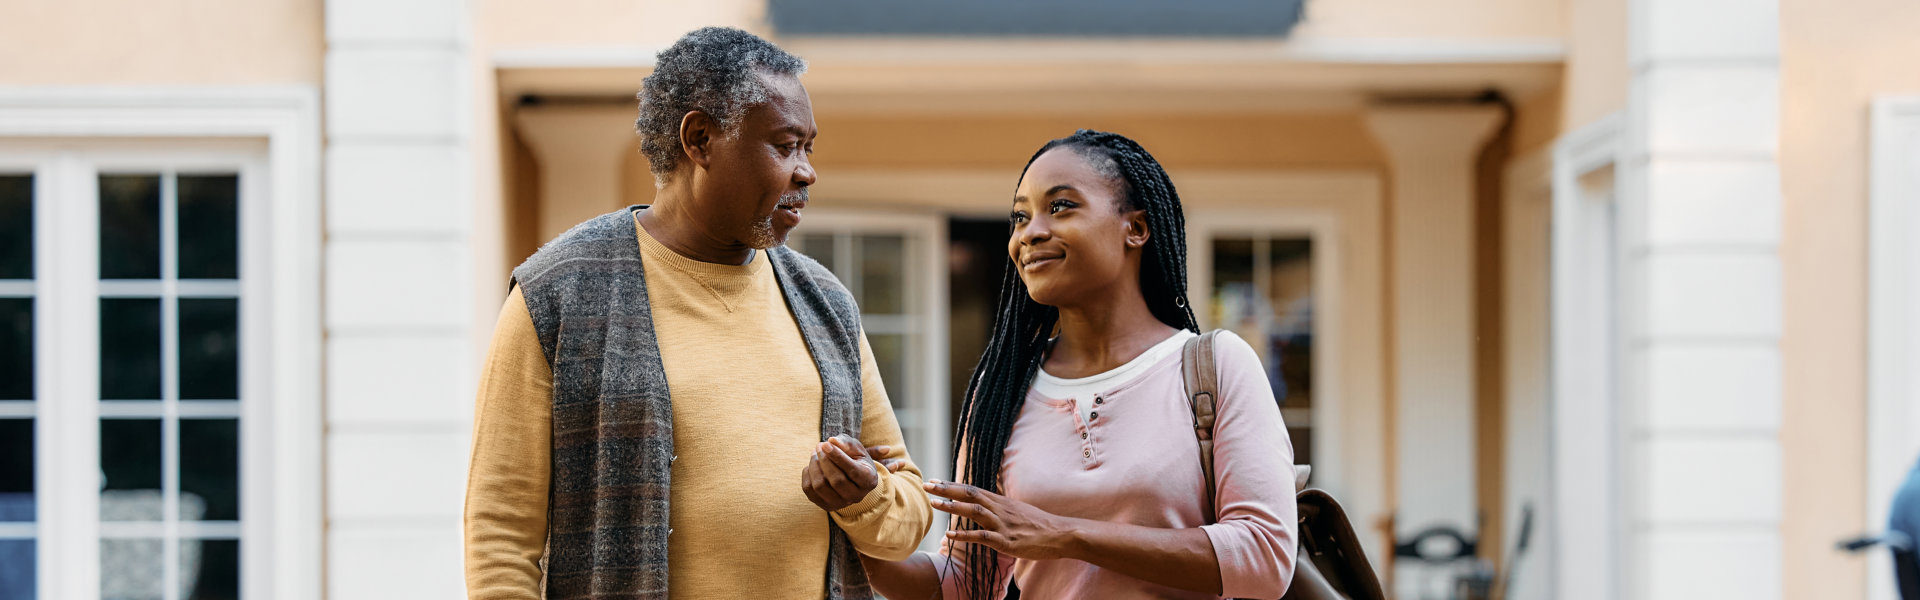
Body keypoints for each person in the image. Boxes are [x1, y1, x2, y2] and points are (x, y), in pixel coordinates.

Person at [462, 27, 931, 600]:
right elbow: (500, 536)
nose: (806, 172)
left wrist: (864, 495)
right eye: (784, 146)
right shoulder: (557, 293)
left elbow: (908, 512)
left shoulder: (825, 303)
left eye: (809, 148)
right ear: (700, 138)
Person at [860, 130, 1299, 599]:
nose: (1030, 233)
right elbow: (966, 583)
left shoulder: (1215, 365)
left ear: (1137, 228)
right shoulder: (1001, 392)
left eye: (1061, 206)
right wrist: (861, 513)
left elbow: (1264, 556)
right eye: (1021, 216)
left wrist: (1064, 535)